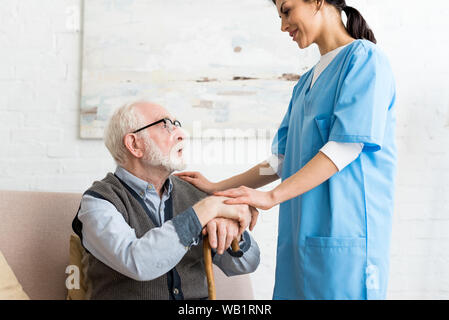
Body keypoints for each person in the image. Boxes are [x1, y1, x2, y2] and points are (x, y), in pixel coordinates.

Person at [176, 0, 397, 300]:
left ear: (317, 2)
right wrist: (218, 187)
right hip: (298, 241)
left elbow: (344, 147)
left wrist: (270, 197)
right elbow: (279, 161)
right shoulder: (305, 82)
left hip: (343, 238)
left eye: (287, 11)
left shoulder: (365, 61)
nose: (283, 26)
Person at [72, 101, 260, 300]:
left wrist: (233, 229)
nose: (181, 134)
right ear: (134, 144)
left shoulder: (195, 193)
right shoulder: (97, 202)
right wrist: (207, 209)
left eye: (176, 123)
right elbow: (137, 262)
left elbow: (246, 263)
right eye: (165, 125)